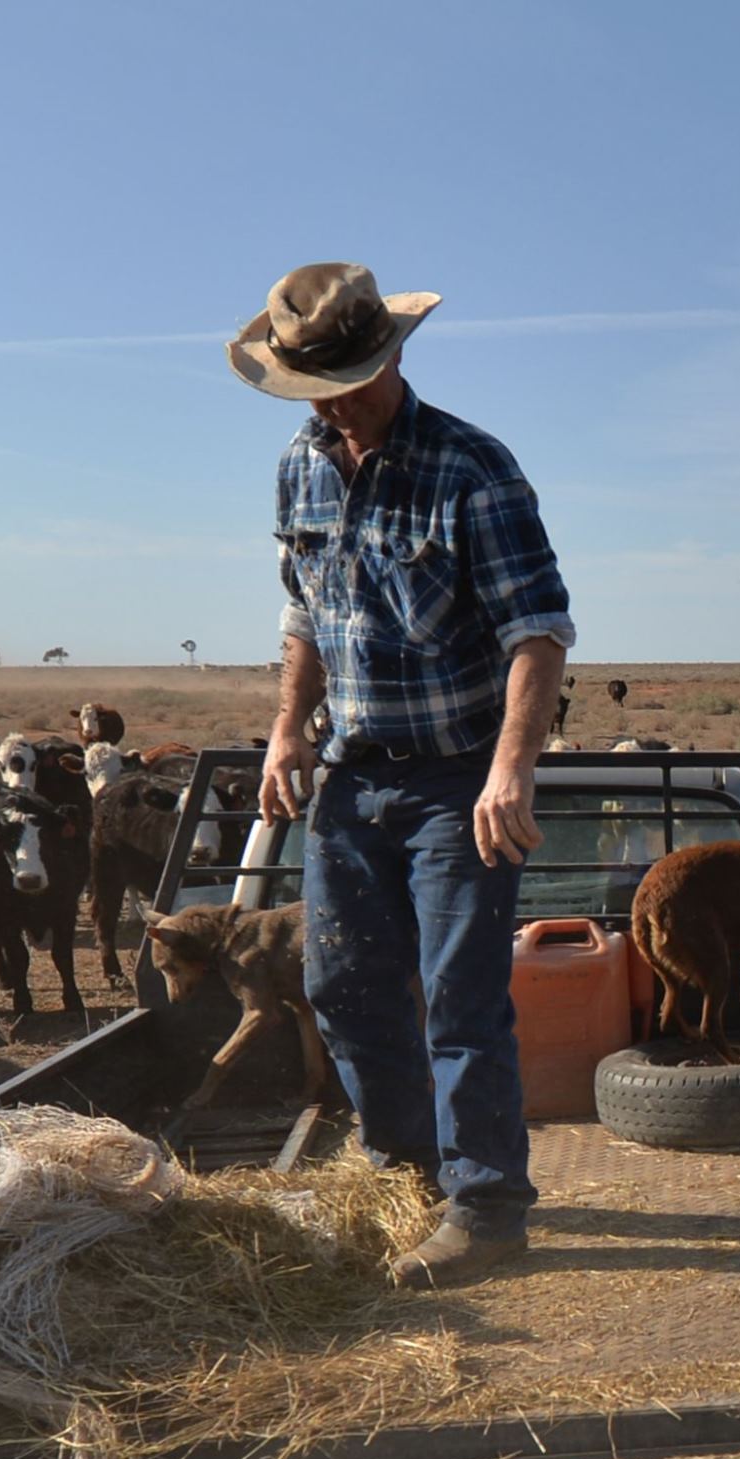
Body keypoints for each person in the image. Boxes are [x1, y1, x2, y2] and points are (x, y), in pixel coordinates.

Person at [234, 258, 578, 1290]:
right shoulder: (299, 464)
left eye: (340, 379)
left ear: (382, 360)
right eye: (311, 387)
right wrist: (286, 731)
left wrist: (509, 770)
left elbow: (539, 628)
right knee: (339, 981)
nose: (328, 404)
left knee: (459, 994)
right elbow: (304, 612)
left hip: (455, 776)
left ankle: (486, 1204)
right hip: (349, 771)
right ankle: (407, 1170)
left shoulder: (471, 467)